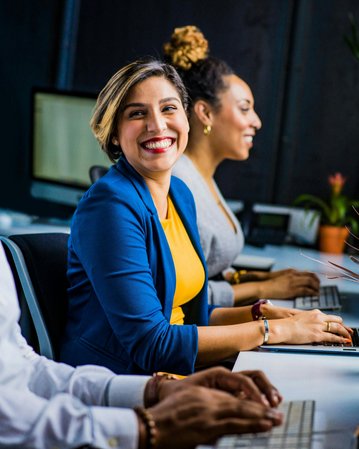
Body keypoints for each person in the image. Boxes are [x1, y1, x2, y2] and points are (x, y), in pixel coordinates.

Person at [60, 58, 351, 377]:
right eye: (137, 113)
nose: (157, 125)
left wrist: (266, 314)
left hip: (178, 372)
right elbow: (152, 343)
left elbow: (191, 316)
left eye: (169, 108)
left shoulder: (180, 194)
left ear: (186, 118)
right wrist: (273, 331)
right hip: (123, 383)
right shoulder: (109, 206)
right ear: (114, 134)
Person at [0, 241, 285, 449]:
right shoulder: (110, 204)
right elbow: (8, 419)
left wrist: (157, 392)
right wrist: (146, 427)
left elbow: (24, 367)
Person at [167, 26, 321, 307]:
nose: (257, 122)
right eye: (244, 108)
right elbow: (183, 298)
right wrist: (265, 289)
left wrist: (253, 279)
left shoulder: (202, 177)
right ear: (205, 112)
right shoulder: (180, 184)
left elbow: (206, 271)